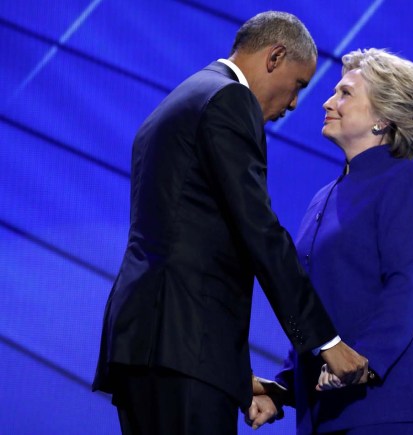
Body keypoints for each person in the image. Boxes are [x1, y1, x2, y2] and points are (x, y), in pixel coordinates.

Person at [92, 11, 369, 435]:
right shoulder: (228, 100)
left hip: (151, 345)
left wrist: (234, 370)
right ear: (275, 57)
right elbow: (258, 230)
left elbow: (198, 242)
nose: (294, 103)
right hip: (181, 350)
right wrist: (325, 343)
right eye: (299, 85)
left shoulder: (183, 98)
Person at [251, 48, 413, 434]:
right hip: (325, 412)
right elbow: (315, 308)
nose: (328, 102)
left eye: (345, 93)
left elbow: (405, 284)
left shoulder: (404, 181)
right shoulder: (322, 198)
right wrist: (283, 388)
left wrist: (364, 363)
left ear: (383, 117)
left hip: (388, 406)